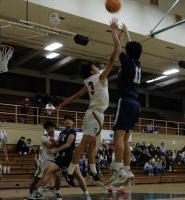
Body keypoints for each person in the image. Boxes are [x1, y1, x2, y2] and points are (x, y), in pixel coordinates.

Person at [58, 18, 120, 186]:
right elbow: (113, 59)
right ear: (93, 69)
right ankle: (70, 172)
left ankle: (93, 172)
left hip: (90, 113)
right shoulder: (100, 77)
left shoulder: (88, 81)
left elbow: (76, 96)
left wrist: (61, 106)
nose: (99, 67)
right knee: (85, 144)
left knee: (92, 144)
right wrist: (115, 36)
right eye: (96, 66)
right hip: (96, 114)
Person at [107, 20, 143, 186]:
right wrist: (127, 33)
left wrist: (114, 31)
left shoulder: (128, 62)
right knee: (126, 139)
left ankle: (120, 168)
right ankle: (127, 169)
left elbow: (118, 47)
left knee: (118, 137)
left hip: (126, 100)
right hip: (136, 103)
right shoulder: (137, 64)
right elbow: (131, 47)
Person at [27, 116, 91, 200]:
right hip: (60, 158)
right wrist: (55, 143)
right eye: (66, 119)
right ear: (63, 122)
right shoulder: (61, 133)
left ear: (73, 123)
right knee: (47, 171)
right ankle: (39, 192)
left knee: (78, 176)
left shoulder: (72, 131)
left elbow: (68, 144)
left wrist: (55, 149)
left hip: (70, 158)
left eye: (70, 120)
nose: (68, 121)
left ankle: (86, 194)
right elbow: (59, 144)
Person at [27, 120, 61, 199]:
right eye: (48, 128)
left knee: (58, 176)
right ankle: (31, 194)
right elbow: (50, 146)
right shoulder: (43, 137)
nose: (50, 129)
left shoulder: (58, 135)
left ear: (54, 127)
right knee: (37, 180)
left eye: (51, 127)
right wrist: (58, 142)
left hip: (55, 160)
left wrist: (56, 142)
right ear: (46, 129)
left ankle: (56, 192)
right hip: (45, 161)